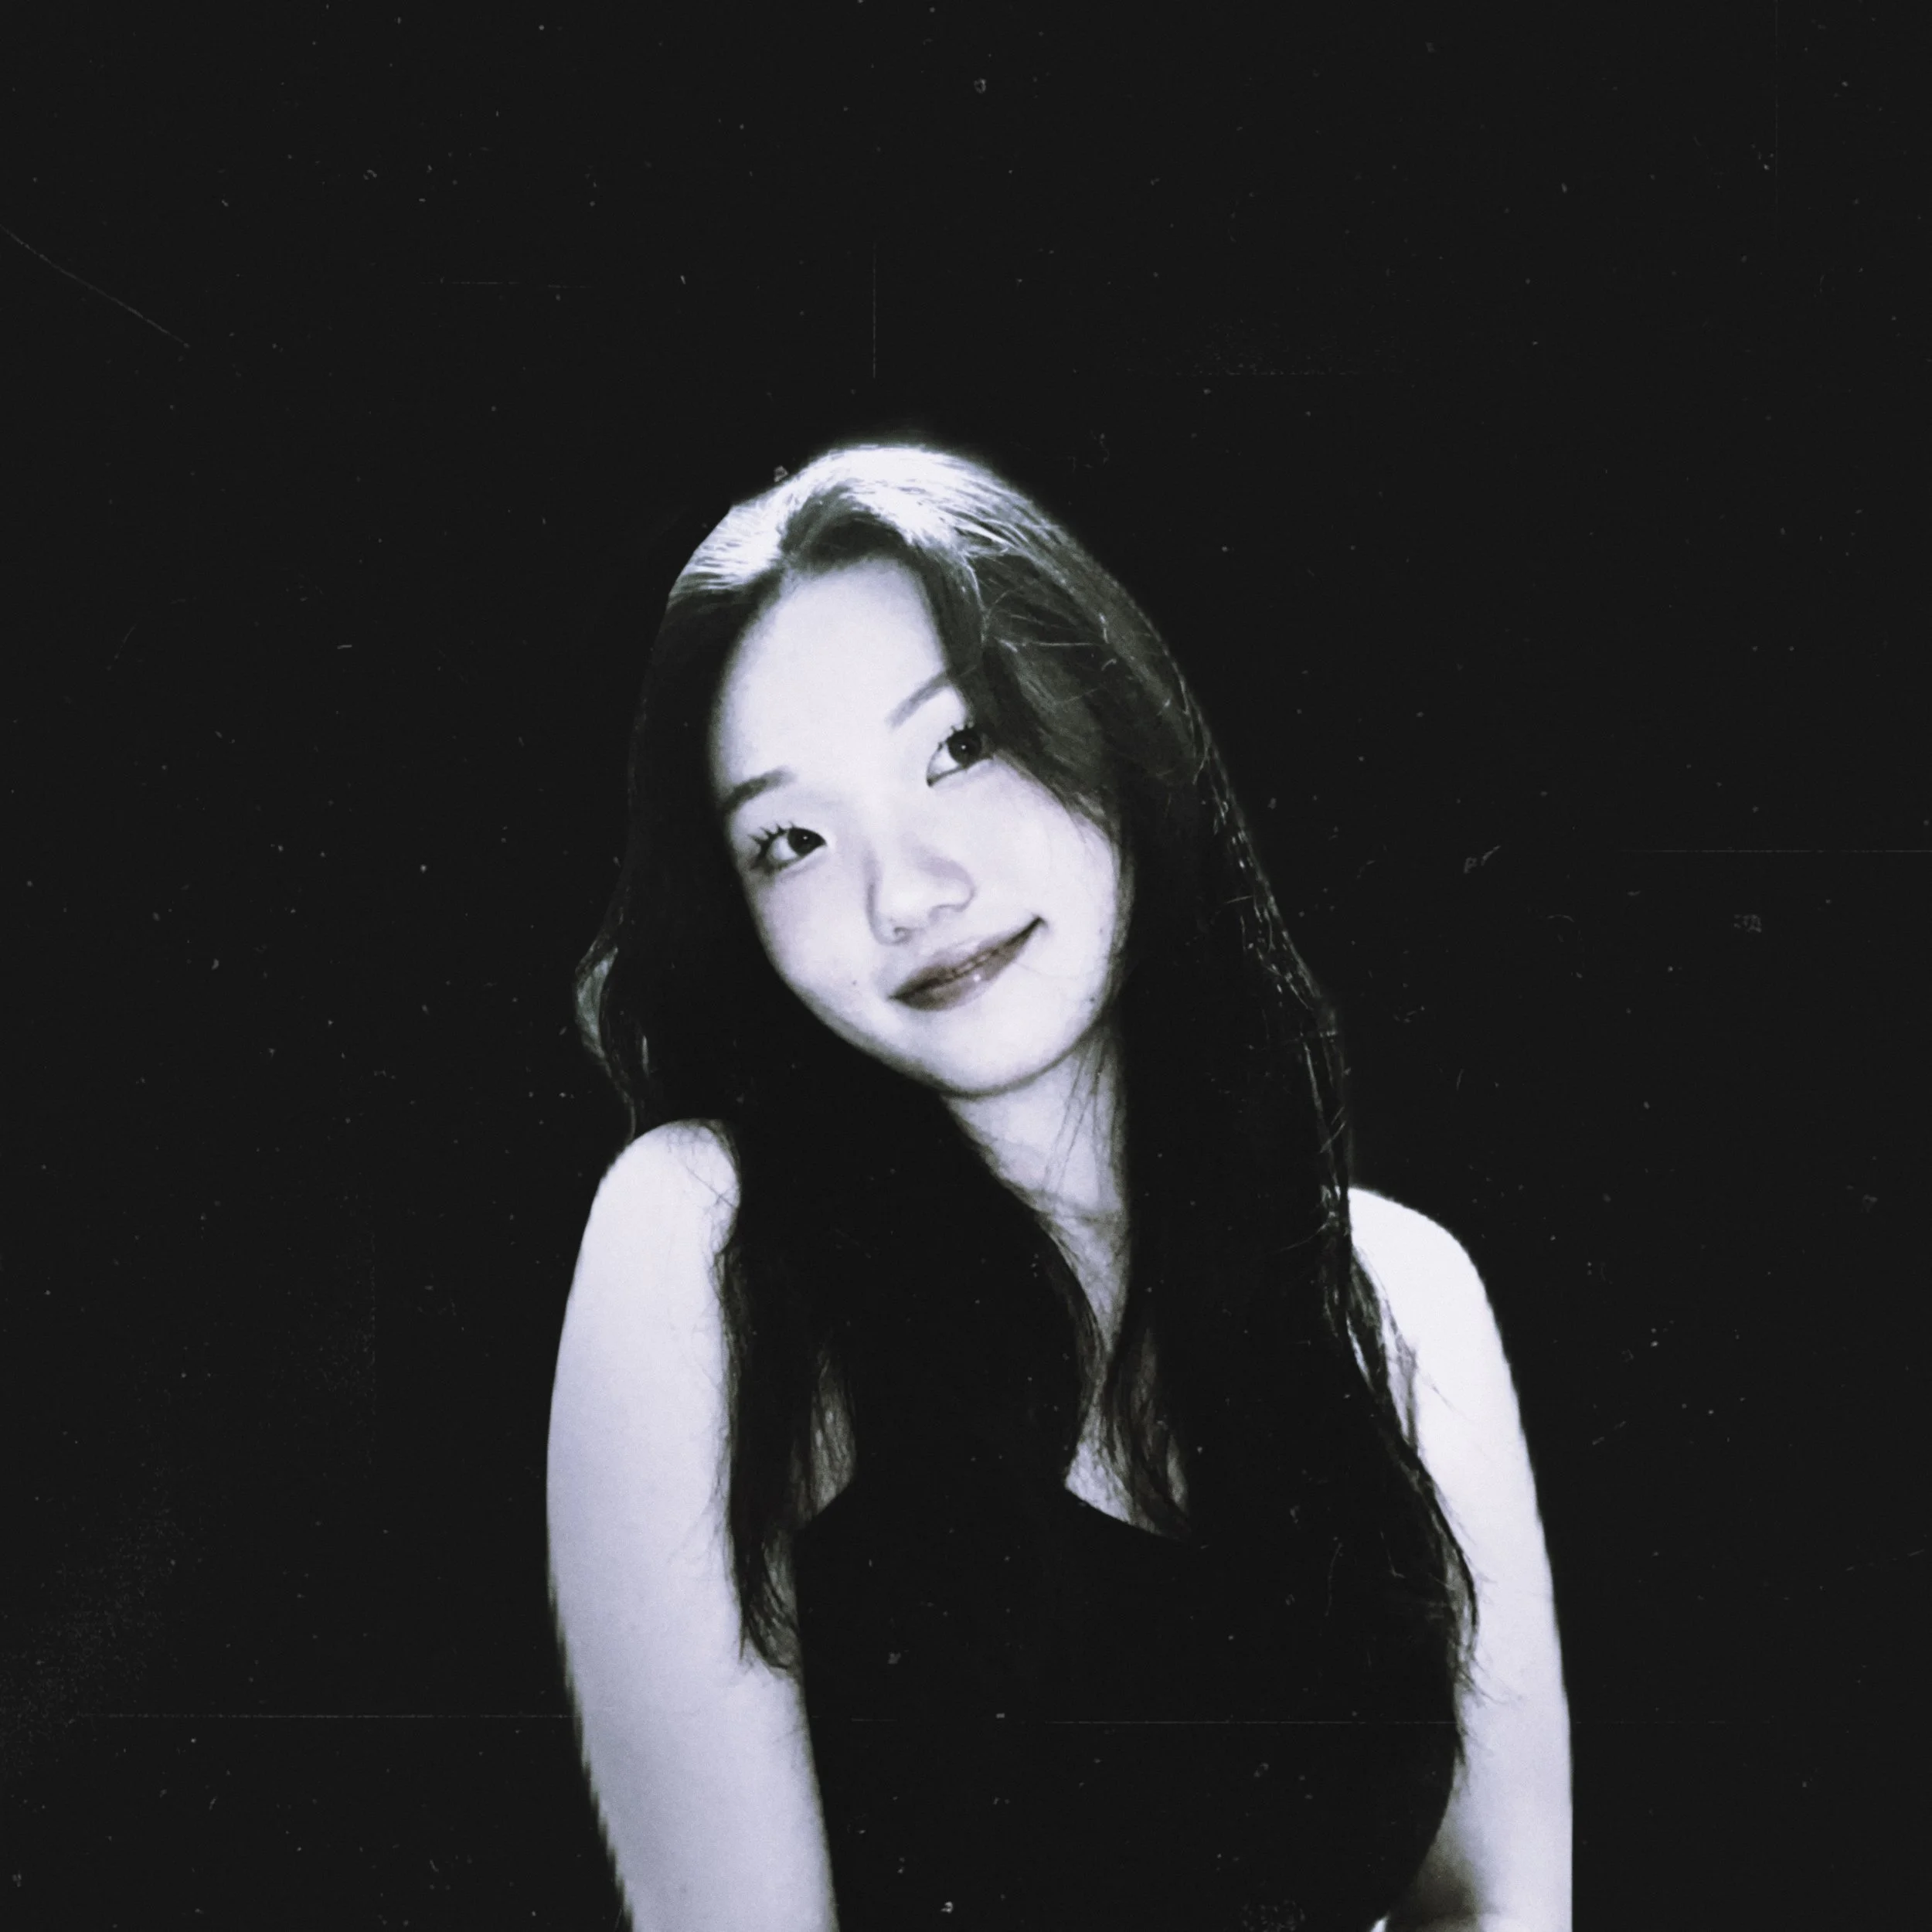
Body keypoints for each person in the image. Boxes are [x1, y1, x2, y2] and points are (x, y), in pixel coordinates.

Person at [546, 444, 1571, 1931]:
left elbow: (1502, 1906)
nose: (907, 893)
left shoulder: (1405, 1296)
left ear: (1114, 718)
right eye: (792, 840)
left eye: (960, 747)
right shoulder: (706, 1242)